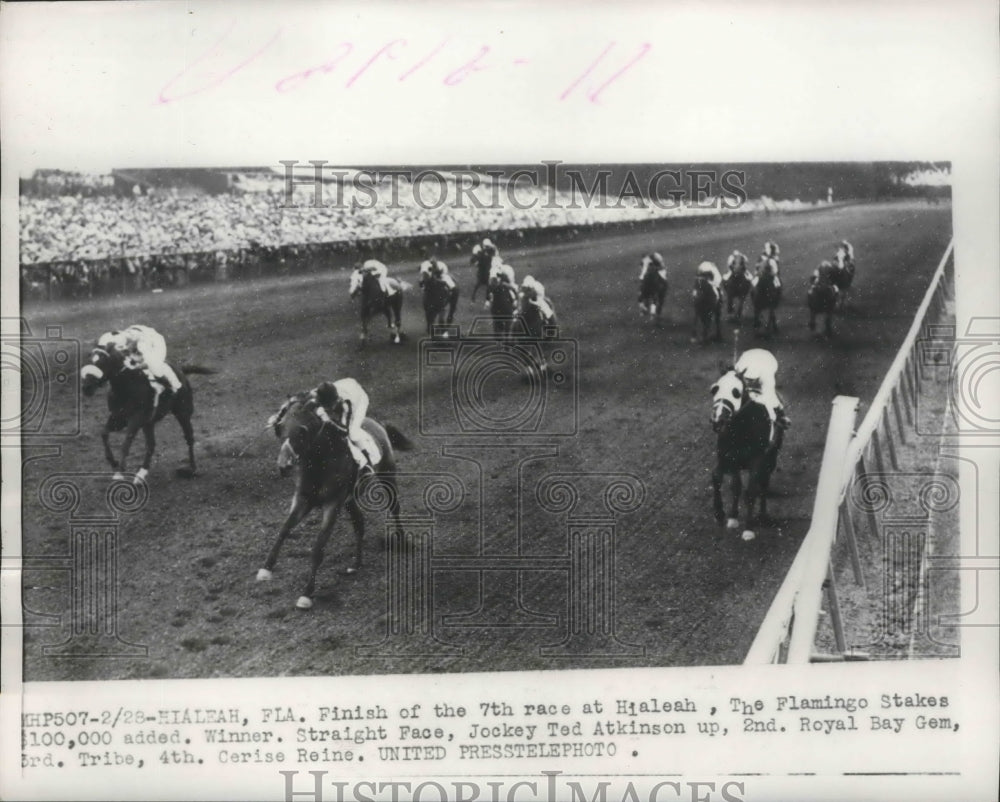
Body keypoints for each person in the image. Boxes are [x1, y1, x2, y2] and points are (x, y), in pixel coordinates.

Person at [308, 378, 380, 476]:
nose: (327, 409)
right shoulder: (315, 394)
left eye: (329, 406)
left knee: (352, 433)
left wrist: (328, 421)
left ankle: (368, 463)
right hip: (347, 385)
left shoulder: (346, 404)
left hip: (359, 399)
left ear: (335, 401)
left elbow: (345, 431)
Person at [98, 324, 181, 406]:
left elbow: (146, 363)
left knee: (156, 368)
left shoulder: (143, 345)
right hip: (134, 332)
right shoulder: (107, 339)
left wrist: (135, 366)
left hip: (154, 340)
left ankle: (171, 385)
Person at [734, 348, 790, 430]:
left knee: (772, 398)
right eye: (747, 379)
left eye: (751, 379)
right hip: (749, 357)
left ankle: (781, 415)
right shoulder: (740, 367)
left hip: (767, 361)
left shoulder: (767, 374)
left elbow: (768, 394)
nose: (749, 382)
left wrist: (772, 415)